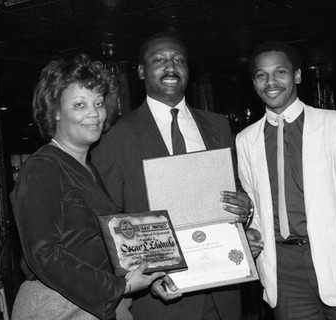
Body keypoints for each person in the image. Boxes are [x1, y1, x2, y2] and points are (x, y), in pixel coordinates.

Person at [91, 32, 252, 320]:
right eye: (159, 60)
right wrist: (148, 276)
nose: (170, 67)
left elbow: (235, 190)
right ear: (141, 71)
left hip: (223, 291)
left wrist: (245, 207)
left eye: (179, 60)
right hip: (161, 297)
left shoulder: (218, 126)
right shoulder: (117, 135)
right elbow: (110, 222)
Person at [10, 53, 166, 320]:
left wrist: (147, 276)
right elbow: (43, 254)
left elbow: (98, 247)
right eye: (80, 105)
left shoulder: (86, 167)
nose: (94, 113)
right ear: (55, 111)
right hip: (58, 307)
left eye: (99, 102)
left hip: (91, 305)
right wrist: (123, 286)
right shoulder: (42, 168)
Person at [236, 40, 336, 320]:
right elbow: (255, 206)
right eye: (261, 75)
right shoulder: (245, 140)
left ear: (298, 76)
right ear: (254, 83)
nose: (271, 82)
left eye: (280, 72)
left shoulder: (335, 124)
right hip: (283, 270)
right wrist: (250, 233)